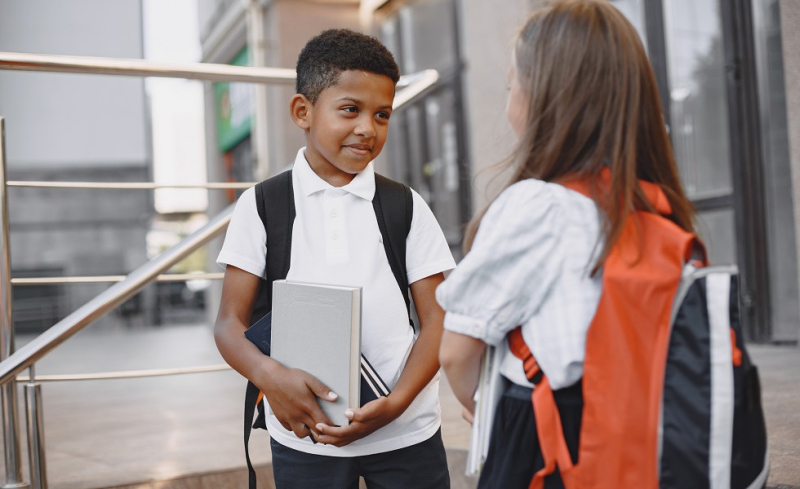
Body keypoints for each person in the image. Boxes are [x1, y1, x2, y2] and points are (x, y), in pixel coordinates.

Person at [436, 1, 697, 488]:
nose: (508, 96)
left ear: (542, 99)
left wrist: (478, 406)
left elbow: (456, 351)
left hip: (547, 440)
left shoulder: (539, 207)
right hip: (633, 434)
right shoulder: (648, 204)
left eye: (511, 84)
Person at [214, 29, 455, 489]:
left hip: (406, 432)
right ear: (303, 112)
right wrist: (270, 377)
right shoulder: (264, 205)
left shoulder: (404, 205)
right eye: (351, 109)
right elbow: (229, 323)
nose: (368, 127)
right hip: (306, 436)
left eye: (382, 114)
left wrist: (398, 402)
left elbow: (438, 318)